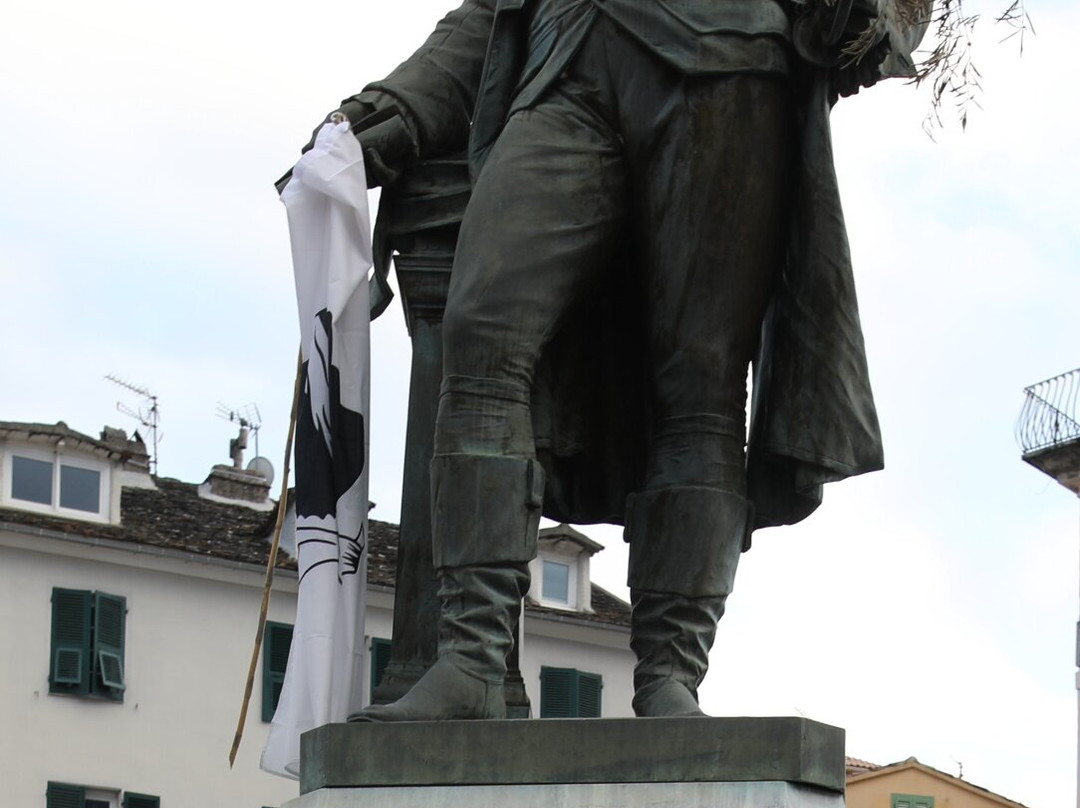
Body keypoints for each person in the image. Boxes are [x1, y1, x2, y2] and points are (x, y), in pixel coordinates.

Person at [312, 0, 926, 721]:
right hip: (564, 62)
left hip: (728, 55)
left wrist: (864, 21)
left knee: (703, 383)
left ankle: (670, 673)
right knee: (480, 333)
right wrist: (393, 109)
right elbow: (491, 13)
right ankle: (470, 660)